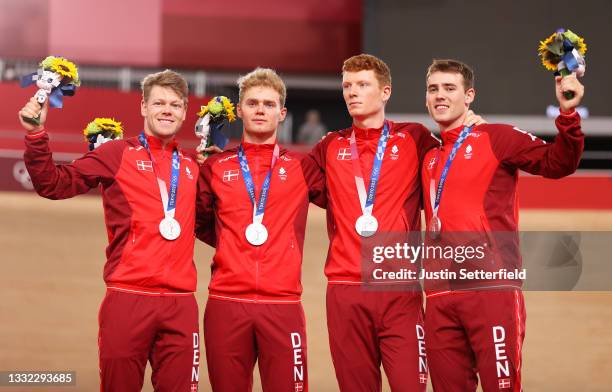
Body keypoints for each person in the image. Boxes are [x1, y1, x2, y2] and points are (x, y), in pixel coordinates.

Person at [308, 53, 486, 391]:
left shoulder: (414, 139)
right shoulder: (330, 146)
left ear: (385, 92)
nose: (352, 93)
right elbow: (286, 188)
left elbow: (455, 165)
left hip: (398, 290)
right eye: (347, 85)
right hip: (345, 292)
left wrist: (472, 133)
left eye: (362, 85)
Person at [19, 70, 201, 392]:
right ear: (143, 107)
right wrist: (36, 135)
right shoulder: (116, 154)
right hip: (127, 300)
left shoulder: (191, 167)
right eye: (158, 102)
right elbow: (54, 184)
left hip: (181, 306)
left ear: (185, 112)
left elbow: (215, 225)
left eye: (175, 104)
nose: (167, 110)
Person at [420, 59, 584, 391]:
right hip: (438, 297)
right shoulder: (429, 157)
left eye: (449, 88)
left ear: (469, 96)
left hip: (490, 290)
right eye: (433, 89)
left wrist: (567, 114)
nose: (439, 96)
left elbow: (558, 163)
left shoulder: (497, 138)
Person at [195, 67, 325, 392]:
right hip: (226, 302)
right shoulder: (216, 166)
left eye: (268, 105)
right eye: (252, 103)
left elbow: (348, 201)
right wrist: (232, 242)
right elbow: (196, 221)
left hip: (282, 305)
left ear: (281, 113)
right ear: (239, 111)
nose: (260, 110)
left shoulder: (302, 167)